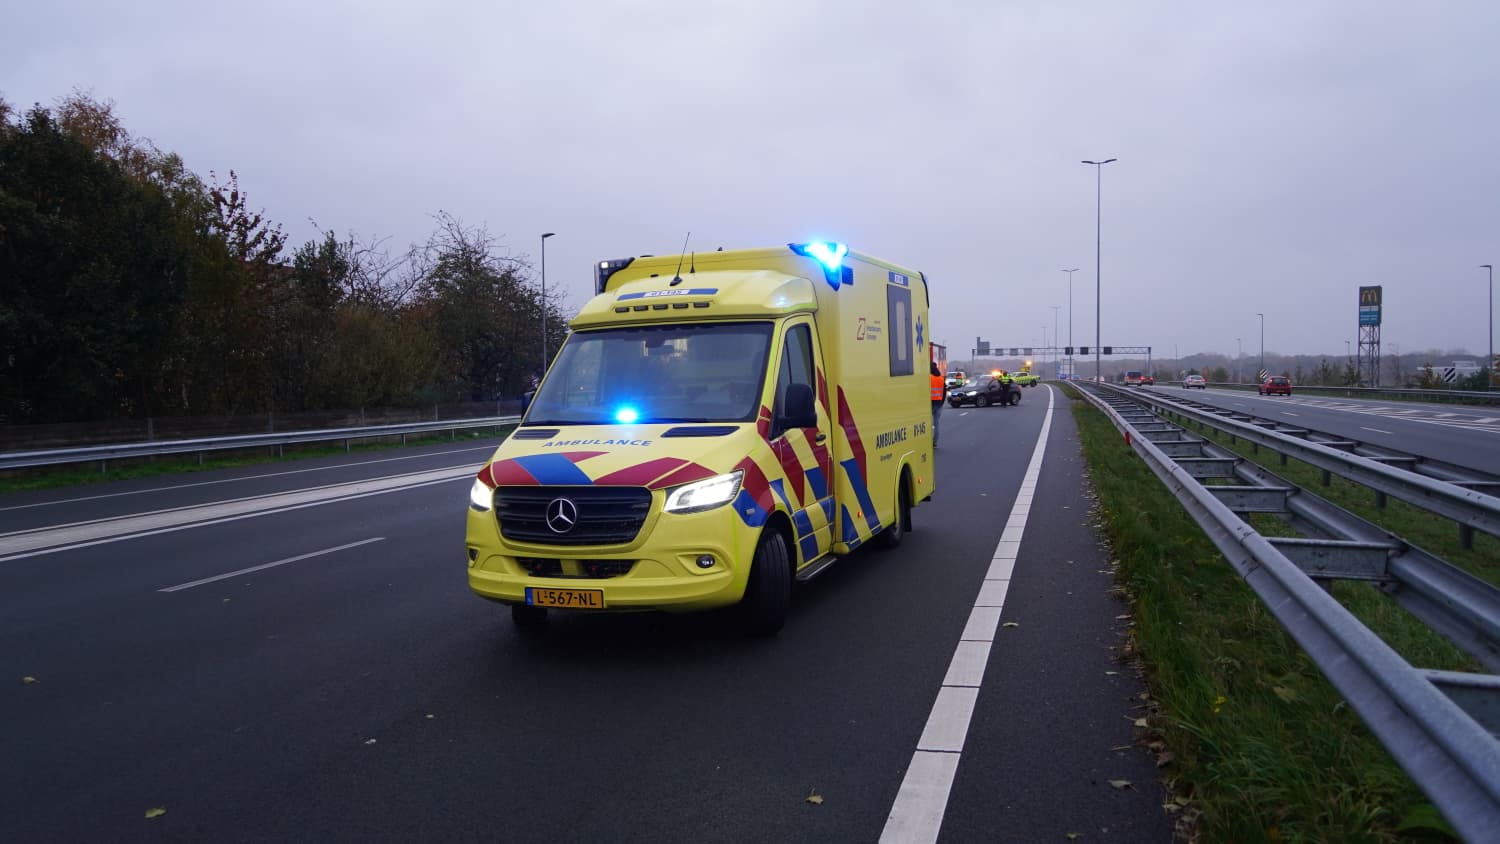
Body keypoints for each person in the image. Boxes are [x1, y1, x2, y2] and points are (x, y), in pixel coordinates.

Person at [929, 362, 946, 447]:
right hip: (939, 404)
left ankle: (926, 440)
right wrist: (941, 403)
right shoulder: (941, 378)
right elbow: (944, 393)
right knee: (936, 424)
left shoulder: (929, 378)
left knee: (927, 423)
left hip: (930, 404)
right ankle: (935, 442)